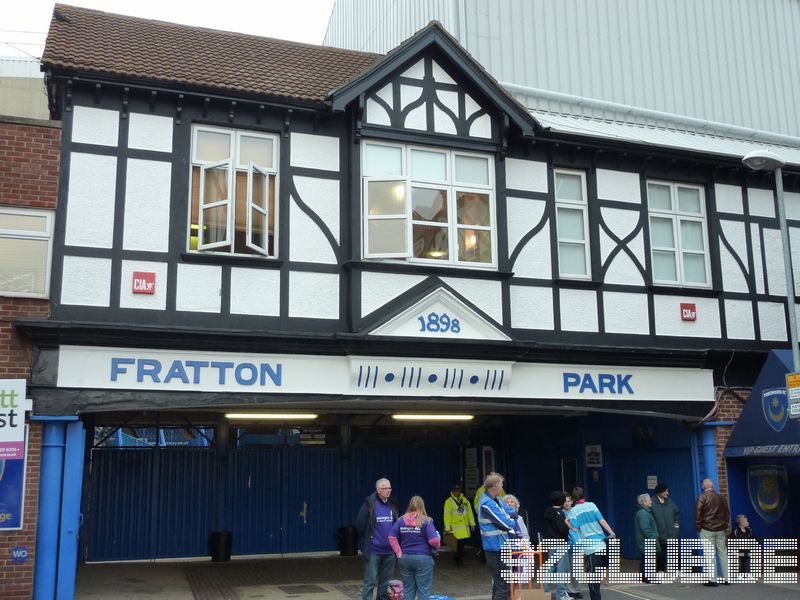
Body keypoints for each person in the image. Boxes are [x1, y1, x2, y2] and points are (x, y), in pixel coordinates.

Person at [388, 495, 441, 600]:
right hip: (423, 559)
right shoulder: (426, 520)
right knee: (424, 590)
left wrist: (398, 552)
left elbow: (391, 537)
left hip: (405, 558)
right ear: (422, 506)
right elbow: (433, 541)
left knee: (408, 589)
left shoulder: (401, 520)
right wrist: (438, 543)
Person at [355, 478, 400, 600]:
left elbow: (397, 526)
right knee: (370, 582)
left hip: (389, 552)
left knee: (385, 584)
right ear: (378, 490)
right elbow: (359, 525)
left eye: (389, 488)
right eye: (385, 488)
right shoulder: (369, 505)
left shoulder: (393, 504)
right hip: (373, 551)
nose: (388, 491)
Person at [569, 487, 616, 600]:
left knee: (592, 575)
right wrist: (611, 532)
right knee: (598, 574)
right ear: (584, 495)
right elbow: (602, 520)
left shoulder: (573, 511)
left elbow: (574, 529)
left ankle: (596, 598)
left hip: (589, 547)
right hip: (601, 544)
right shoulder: (592, 505)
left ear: (573, 498)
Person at [477, 472, 518, 600]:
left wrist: (510, 516)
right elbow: (506, 524)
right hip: (495, 548)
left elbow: (512, 511)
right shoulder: (487, 504)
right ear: (494, 487)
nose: (502, 487)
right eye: (501, 484)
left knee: (501, 585)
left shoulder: (496, 500)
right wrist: (510, 519)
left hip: (500, 547)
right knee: (503, 585)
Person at [695, 478, 731, 587]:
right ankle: (727, 578)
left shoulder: (702, 497)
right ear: (713, 486)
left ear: (703, 487)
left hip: (707, 529)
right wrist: (724, 525)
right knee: (723, 553)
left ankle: (713, 579)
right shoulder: (721, 497)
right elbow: (727, 513)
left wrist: (698, 527)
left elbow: (698, 513)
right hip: (720, 529)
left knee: (710, 555)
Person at [543, 491, 573, 600]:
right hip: (560, 543)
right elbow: (563, 529)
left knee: (551, 567)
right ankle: (561, 594)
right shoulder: (560, 513)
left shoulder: (549, 512)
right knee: (561, 569)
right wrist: (567, 530)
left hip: (551, 542)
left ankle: (544, 591)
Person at [650, 483, 680, 572]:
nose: (667, 493)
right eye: (665, 491)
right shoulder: (652, 502)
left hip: (671, 534)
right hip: (659, 534)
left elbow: (676, 514)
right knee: (660, 554)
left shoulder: (670, 502)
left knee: (673, 553)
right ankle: (660, 571)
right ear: (659, 492)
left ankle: (673, 571)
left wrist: (676, 526)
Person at [443, 484, 475, 566]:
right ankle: (458, 560)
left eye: (458, 491)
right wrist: (447, 528)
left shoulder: (465, 500)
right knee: (457, 545)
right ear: (452, 492)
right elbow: (447, 516)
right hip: (455, 528)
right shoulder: (449, 502)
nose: (457, 492)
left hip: (464, 527)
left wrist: (472, 524)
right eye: (455, 491)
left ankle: (459, 559)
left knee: (461, 544)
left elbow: (470, 513)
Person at [634, 494, 659, 583]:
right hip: (647, 541)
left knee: (645, 559)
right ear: (644, 502)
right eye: (649, 500)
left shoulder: (643, 512)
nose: (651, 501)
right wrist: (653, 537)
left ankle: (644, 577)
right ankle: (649, 578)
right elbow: (645, 529)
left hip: (644, 541)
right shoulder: (643, 513)